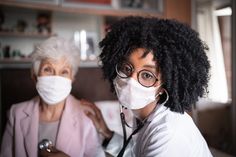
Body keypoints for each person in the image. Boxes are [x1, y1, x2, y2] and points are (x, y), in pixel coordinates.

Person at [81, 16, 213, 157]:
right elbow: (135, 153)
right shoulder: (143, 114)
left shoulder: (169, 133)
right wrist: (106, 132)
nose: (131, 80)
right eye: (127, 67)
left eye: (147, 75)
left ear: (164, 86)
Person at [0, 37, 105, 157]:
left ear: (72, 79)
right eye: (48, 70)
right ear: (35, 77)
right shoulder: (16, 114)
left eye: (64, 72)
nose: (56, 78)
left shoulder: (87, 116)